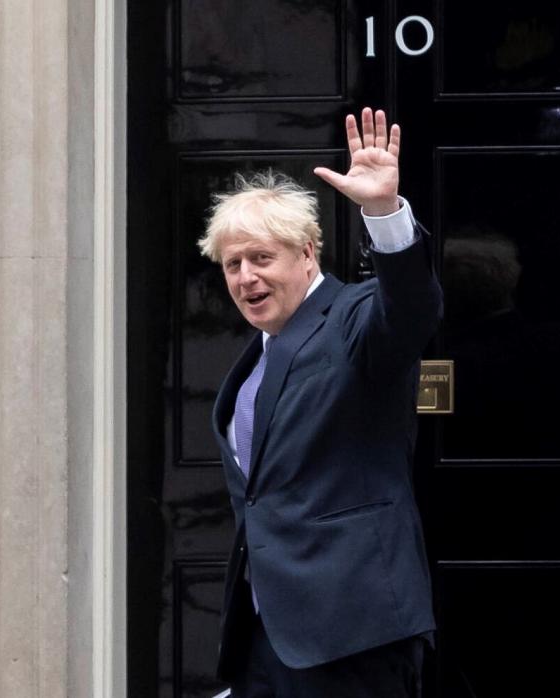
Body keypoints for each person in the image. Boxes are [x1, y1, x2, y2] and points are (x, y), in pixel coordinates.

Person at [198, 108, 441, 697]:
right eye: (233, 265)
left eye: (261, 258)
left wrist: (383, 212)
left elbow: (409, 312)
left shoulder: (351, 318)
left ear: (307, 254)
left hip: (352, 632)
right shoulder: (256, 358)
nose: (246, 277)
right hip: (268, 637)